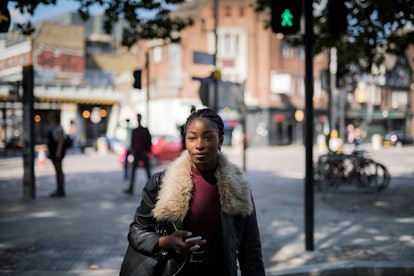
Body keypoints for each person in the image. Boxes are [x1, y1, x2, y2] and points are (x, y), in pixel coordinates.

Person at [120, 108, 265, 275]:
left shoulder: (239, 187)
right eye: (192, 138)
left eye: (208, 137)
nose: (199, 145)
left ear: (221, 140)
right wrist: (164, 241)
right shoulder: (161, 183)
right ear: (185, 141)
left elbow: (251, 251)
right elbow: (137, 231)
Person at [124, 113, 152, 195]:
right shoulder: (135, 131)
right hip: (137, 153)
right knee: (133, 172)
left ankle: (152, 188)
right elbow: (133, 142)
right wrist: (133, 151)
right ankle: (131, 188)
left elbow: (148, 142)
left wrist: (147, 151)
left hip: (143, 153)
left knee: (147, 171)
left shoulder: (144, 130)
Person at [47, 111, 66, 198]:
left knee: (59, 171)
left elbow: (61, 141)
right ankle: (59, 189)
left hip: (57, 152)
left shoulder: (59, 128)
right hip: (53, 151)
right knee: (57, 171)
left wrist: (58, 152)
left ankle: (61, 189)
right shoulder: (53, 127)